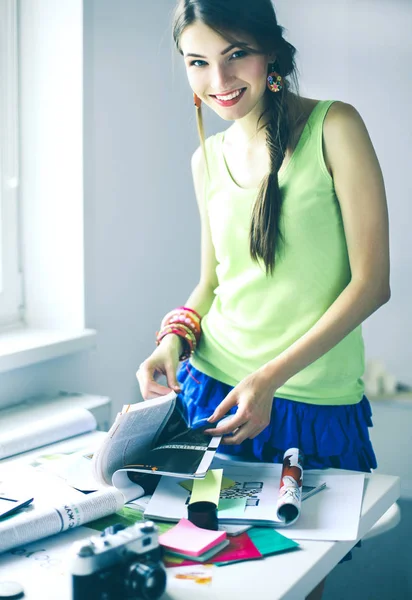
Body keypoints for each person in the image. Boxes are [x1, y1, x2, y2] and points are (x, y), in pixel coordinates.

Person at [137, 1, 390, 596]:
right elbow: (213, 282)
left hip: (311, 404)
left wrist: (269, 378)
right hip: (217, 396)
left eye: (236, 55)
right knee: (210, 581)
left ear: (270, 50)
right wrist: (172, 341)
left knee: (297, 583)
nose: (219, 82)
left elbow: (371, 283)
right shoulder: (206, 160)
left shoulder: (335, 126)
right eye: (198, 62)